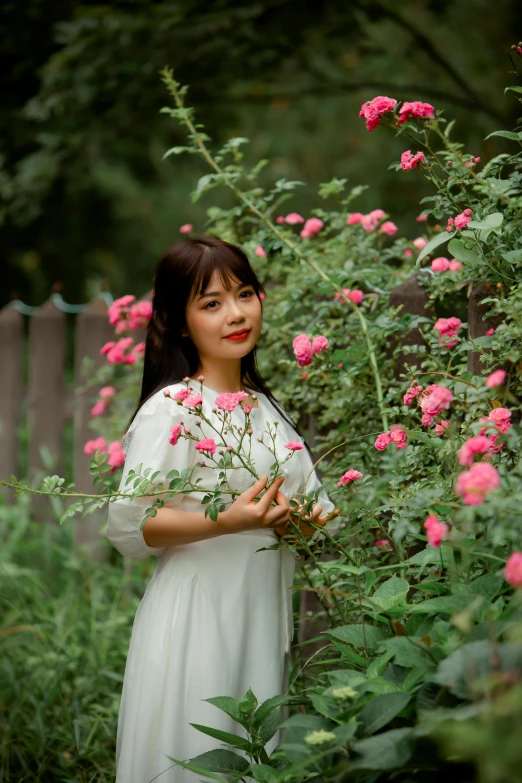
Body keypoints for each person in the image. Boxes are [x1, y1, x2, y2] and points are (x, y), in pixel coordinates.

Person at [106, 235, 340, 782]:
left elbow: (311, 514)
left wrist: (302, 522)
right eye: (211, 303)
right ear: (181, 322)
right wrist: (228, 519)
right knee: (195, 756)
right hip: (197, 617)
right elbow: (130, 525)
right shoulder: (174, 408)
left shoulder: (268, 410)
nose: (236, 314)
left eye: (244, 294)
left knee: (252, 760)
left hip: (260, 613)